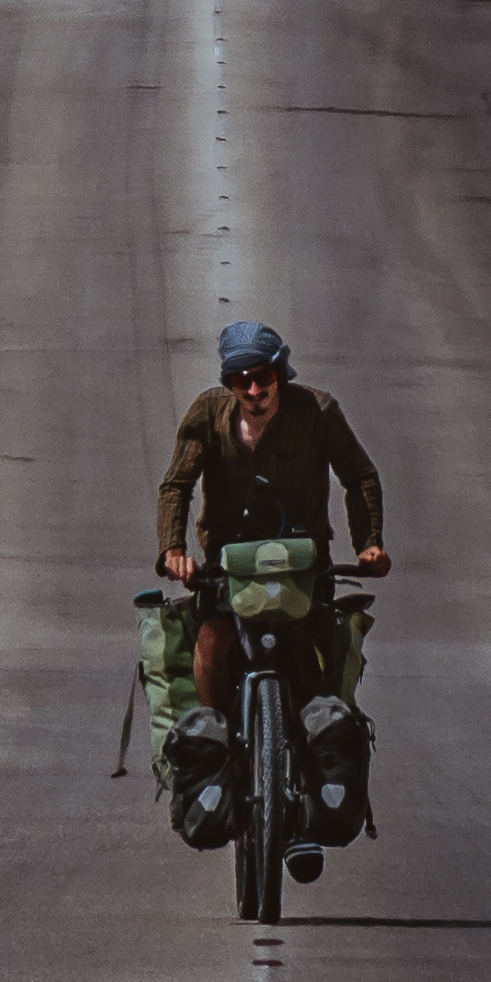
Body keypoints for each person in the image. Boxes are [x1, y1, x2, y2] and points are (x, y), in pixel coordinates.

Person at [157, 317, 386, 744]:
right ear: (229, 383)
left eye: (262, 377)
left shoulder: (317, 412)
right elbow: (177, 484)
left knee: (306, 655)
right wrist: (173, 550)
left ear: (278, 374)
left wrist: (369, 544)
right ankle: (214, 741)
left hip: (300, 563)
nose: (254, 391)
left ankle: (308, 752)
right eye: (241, 380)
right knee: (211, 639)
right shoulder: (207, 415)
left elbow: (359, 476)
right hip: (230, 562)